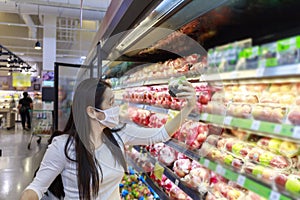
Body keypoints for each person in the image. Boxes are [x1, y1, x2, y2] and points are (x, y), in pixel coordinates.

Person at [20, 78, 196, 200]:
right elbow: (36, 188)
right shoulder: (63, 146)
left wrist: (188, 107)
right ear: (92, 112)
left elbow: (160, 134)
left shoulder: (118, 134)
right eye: (111, 103)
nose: (116, 108)